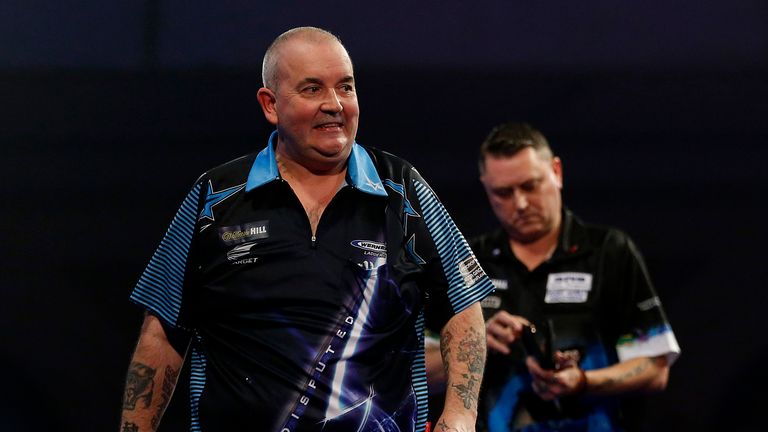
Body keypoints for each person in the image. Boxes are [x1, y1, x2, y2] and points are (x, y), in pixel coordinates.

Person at [118, 27, 494, 432]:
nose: (334, 105)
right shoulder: (215, 197)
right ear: (270, 104)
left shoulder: (402, 189)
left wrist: (460, 415)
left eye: (345, 88)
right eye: (312, 89)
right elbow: (162, 334)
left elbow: (463, 306)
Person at [427, 122, 680, 431]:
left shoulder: (609, 252)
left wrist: (584, 381)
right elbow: (418, 373)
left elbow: (656, 369)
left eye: (530, 186)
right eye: (503, 193)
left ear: (556, 172)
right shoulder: (466, 261)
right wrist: (475, 343)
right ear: (486, 189)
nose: (519, 203)